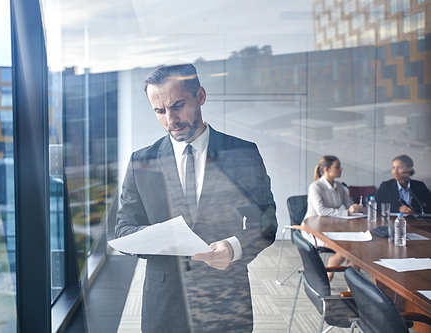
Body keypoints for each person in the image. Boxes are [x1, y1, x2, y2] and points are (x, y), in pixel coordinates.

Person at [115, 63, 277, 332]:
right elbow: (124, 229)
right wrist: (161, 236)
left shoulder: (242, 154)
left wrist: (234, 247)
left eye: (178, 106)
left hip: (226, 297)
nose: (170, 120)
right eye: (159, 111)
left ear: (200, 96)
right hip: (164, 302)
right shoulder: (141, 161)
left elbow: (267, 222)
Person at [302, 155, 363, 280]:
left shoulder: (340, 186)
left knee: (355, 250)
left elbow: (348, 205)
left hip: (333, 228)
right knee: (346, 250)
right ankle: (328, 276)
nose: (341, 169)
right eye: (338, 167)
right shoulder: (315, 187)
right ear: (327, 169)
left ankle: (352, 289)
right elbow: (322, 211)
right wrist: (348, 212)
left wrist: (356, 207)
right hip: (315, 230)